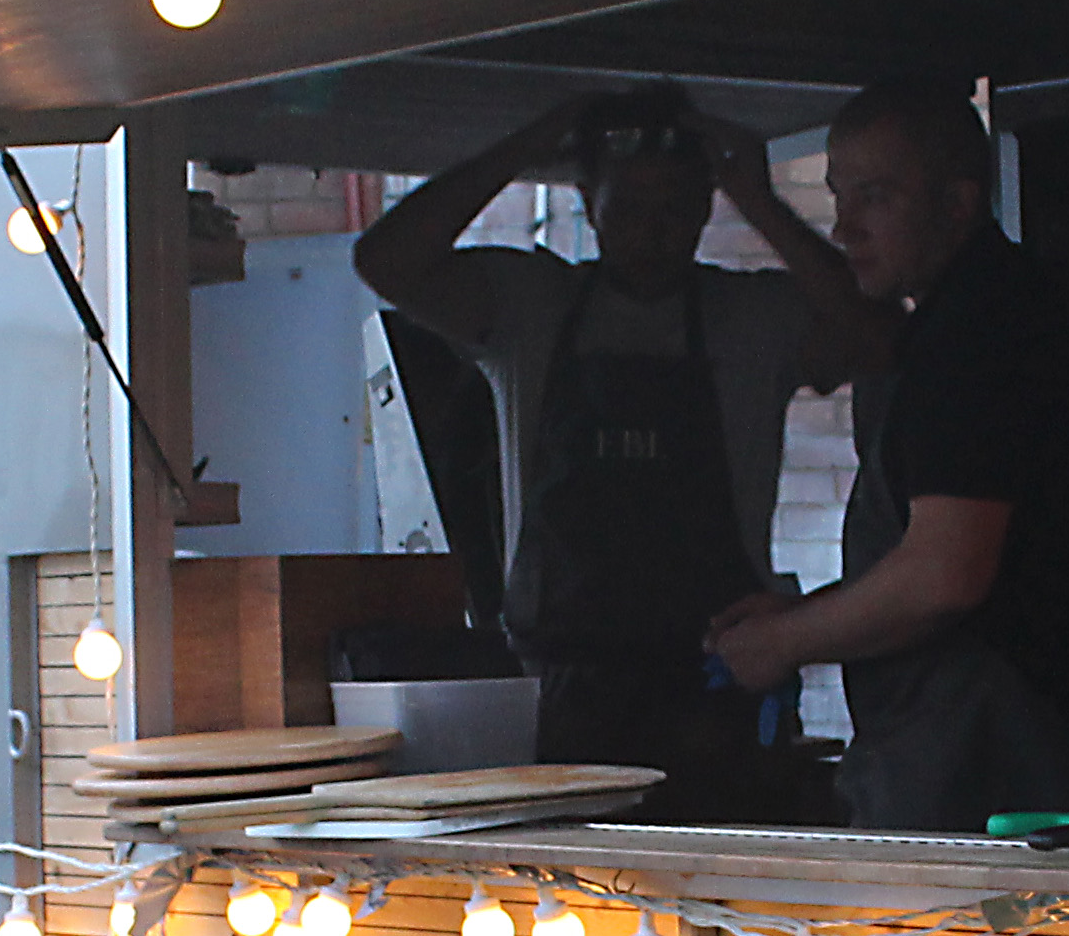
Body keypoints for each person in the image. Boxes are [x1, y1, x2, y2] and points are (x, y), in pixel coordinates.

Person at [352, 87, 869, 816]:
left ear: (703, 208)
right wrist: (522, 150)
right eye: (628, 207)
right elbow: (385, 260)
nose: (651, 232)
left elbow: (873, 331)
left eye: (674, 211)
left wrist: (760, 200)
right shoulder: (528, 306)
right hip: (561, 690)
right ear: (588, 203)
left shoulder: (751, 319)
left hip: (713, 685)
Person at [705, 83, 1069, 833]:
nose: (845, 228)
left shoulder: (977, 338)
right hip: (971, 748)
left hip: (986, 766)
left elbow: (944, 575)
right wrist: (809, 612)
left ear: (958, 203)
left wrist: (784, 640)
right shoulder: (964, 320)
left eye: (877, 197)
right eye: (839, 197)